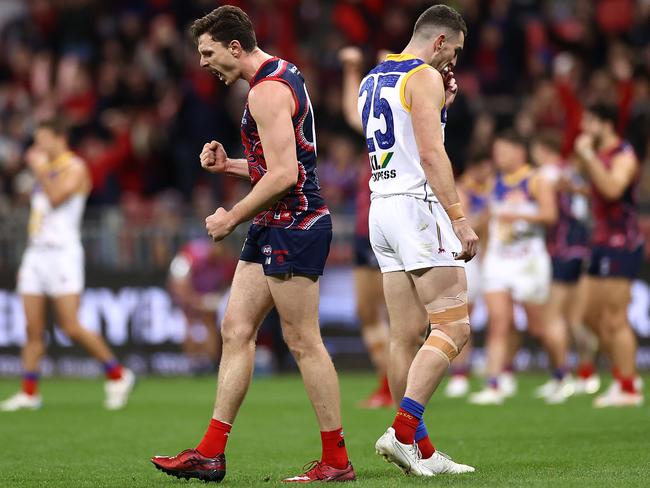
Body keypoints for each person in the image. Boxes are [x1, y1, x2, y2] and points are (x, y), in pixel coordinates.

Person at [151, 6, 355, 483]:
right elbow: (288, 162)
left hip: (294, 224)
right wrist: (231, 167)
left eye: (207, 52)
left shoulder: (264, 92)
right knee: (235, 329)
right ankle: (210, 452)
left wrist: (231, 215)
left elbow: (286, 175)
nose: (202, 62)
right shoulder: (285, 72)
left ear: (234, 47)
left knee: (303, 341)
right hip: (275, 221)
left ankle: (337, 460)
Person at [358, 5, 478, 476]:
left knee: (404, 336)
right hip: (417, 207)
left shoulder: (373, 77)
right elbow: (429, 153)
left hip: (381, 207)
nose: (454, 65)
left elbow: (398, 135)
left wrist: (441, 108)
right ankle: (402, 432)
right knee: (454, 327)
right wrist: (460, 219)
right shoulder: (425, 75)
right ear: (441, 42)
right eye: (456, 52)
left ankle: (423, 452)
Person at [0, 119, 135, 412]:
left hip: (62, 255)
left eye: (42, 140)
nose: (37, 147)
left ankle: (117, 373)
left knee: (70, 325)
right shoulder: (47, 170)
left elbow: (57, 196)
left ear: (59, 138)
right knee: (32, 329)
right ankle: (29, 391)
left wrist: (38, 170)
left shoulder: (75, 167)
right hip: (36, 253)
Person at [469, 130, 562, 405]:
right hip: (499, 260)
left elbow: (550, 215)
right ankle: (494, 383)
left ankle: (560, 374)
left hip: (528, 261)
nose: (497, 157)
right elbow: (489, 216)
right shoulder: (494, 182)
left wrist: (517, 213)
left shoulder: (536, 180)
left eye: (502, 151)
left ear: (518, 152)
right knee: (498, 322)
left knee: (538, 326)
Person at [574, 104, 644, 408]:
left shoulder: (624, 155)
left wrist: (587, 156)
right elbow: (602, 193)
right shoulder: (602, 155)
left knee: (615, 317)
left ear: (607, 123)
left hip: (622, 242)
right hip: (601, 240)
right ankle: (623, 374)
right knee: (588, 316)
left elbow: (614, 189)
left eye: (590, 120)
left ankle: (628, 387)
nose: (584, 127)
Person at [339, 46, 392, 408]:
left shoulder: (402, 121)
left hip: (386, 222)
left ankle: (396, 387)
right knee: (367, 310)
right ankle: (388, 382)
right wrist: (352, 70)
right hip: (365, 227)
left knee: (395, 313)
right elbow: (352, 113)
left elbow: (353, 114)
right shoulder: (376, 128)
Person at [530, 131, 600, 399]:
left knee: (553, 317)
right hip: (581, 248)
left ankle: (563, 377)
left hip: (561, 250)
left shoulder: (547, 173)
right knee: (573, 318)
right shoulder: (572, 172)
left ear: (542, 149)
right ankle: (586, 372)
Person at [444, 152, 493, 398]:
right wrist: (486, 216)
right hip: (465, 257)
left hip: (483, 258)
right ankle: (460, 373)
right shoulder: (460, 190)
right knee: (460, 317)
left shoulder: (490, 189)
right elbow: (467, 224)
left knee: (466, 318)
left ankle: (468, 372)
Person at [168, 240, 236, 374]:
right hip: (189, 299)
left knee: (212, 319)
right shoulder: (190, 256)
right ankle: (191, 361)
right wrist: (195, 302)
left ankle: (211, 361)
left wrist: (210, 302)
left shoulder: (226, 261)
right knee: (188, 321)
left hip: (209, 298)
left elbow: (229, 286)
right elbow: (178, 285)